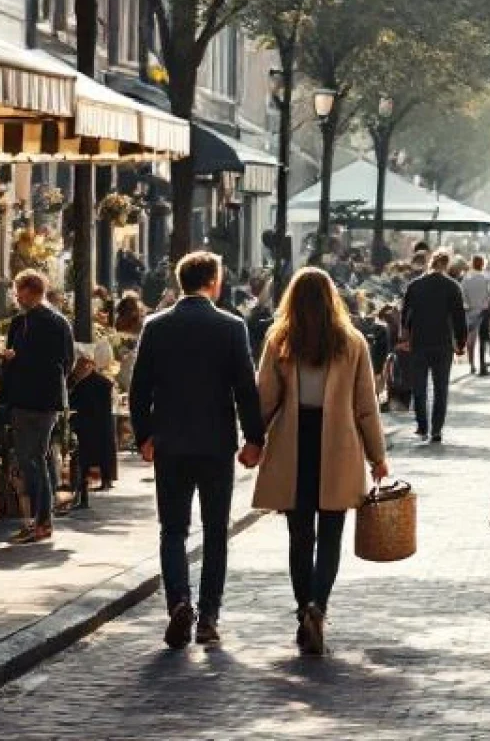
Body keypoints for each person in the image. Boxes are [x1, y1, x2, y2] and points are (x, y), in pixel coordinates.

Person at [128, 250, 265, 648]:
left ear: (179, 282)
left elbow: (139, 389)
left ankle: (178, 603)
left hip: (170, 443)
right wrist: (254, 438)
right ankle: (208, 616)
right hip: (216, 444)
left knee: (172, 530)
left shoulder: (156, 326)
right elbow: (245, 388)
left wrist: (144, 436)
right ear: (215, 282)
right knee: (216, 533)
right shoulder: (231, 327)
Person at [252, 268, 389, 657]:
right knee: (330, 535)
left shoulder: (280, 339)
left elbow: (265, 398)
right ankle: (318, 607)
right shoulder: (352, 342)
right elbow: (366, 406)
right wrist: (377, 456)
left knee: (299, 536)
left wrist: (251, 440)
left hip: (294, 444)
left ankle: (302, 609)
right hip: (339, 446)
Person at [0, 270, 75, 544]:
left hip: (30, 399)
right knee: (36, 459)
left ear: (31, 292)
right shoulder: (54, 321)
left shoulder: (31, 322)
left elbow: (63, 361)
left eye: (19, 290)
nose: (16, 296)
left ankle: (38, 521)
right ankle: (41, 521)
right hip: (43, 399)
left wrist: (15, 362)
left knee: (31, 459)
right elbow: (68, 361)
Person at [400, 250, 467, 443]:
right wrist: (461, 343)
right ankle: (436, 429)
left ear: (430, 262)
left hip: (419, 341)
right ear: (446, 265)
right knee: (441, 388)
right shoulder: (452, 287)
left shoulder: (415, 285)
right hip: (443, 343)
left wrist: (405, 336)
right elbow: (459, 318)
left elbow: (406, 315)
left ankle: (422, 426)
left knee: (419, 386)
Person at [69, 343, 118, 492]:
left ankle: (99, 480)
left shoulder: (87, 384)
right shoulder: (102, 383)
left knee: (90, 453)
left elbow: (74, 402)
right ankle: (102, 480)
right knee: (95, 453)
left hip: (93, 422)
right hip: (97, 422)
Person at [461, 255, 490, 376]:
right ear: (483, 264)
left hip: (470, 311)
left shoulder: (466, 278)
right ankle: (482, 364)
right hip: (483, 311)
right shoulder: (486, 278)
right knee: (483, 338)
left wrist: (469, 305)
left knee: (471, 340)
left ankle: (471, 364)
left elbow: (463, 295)